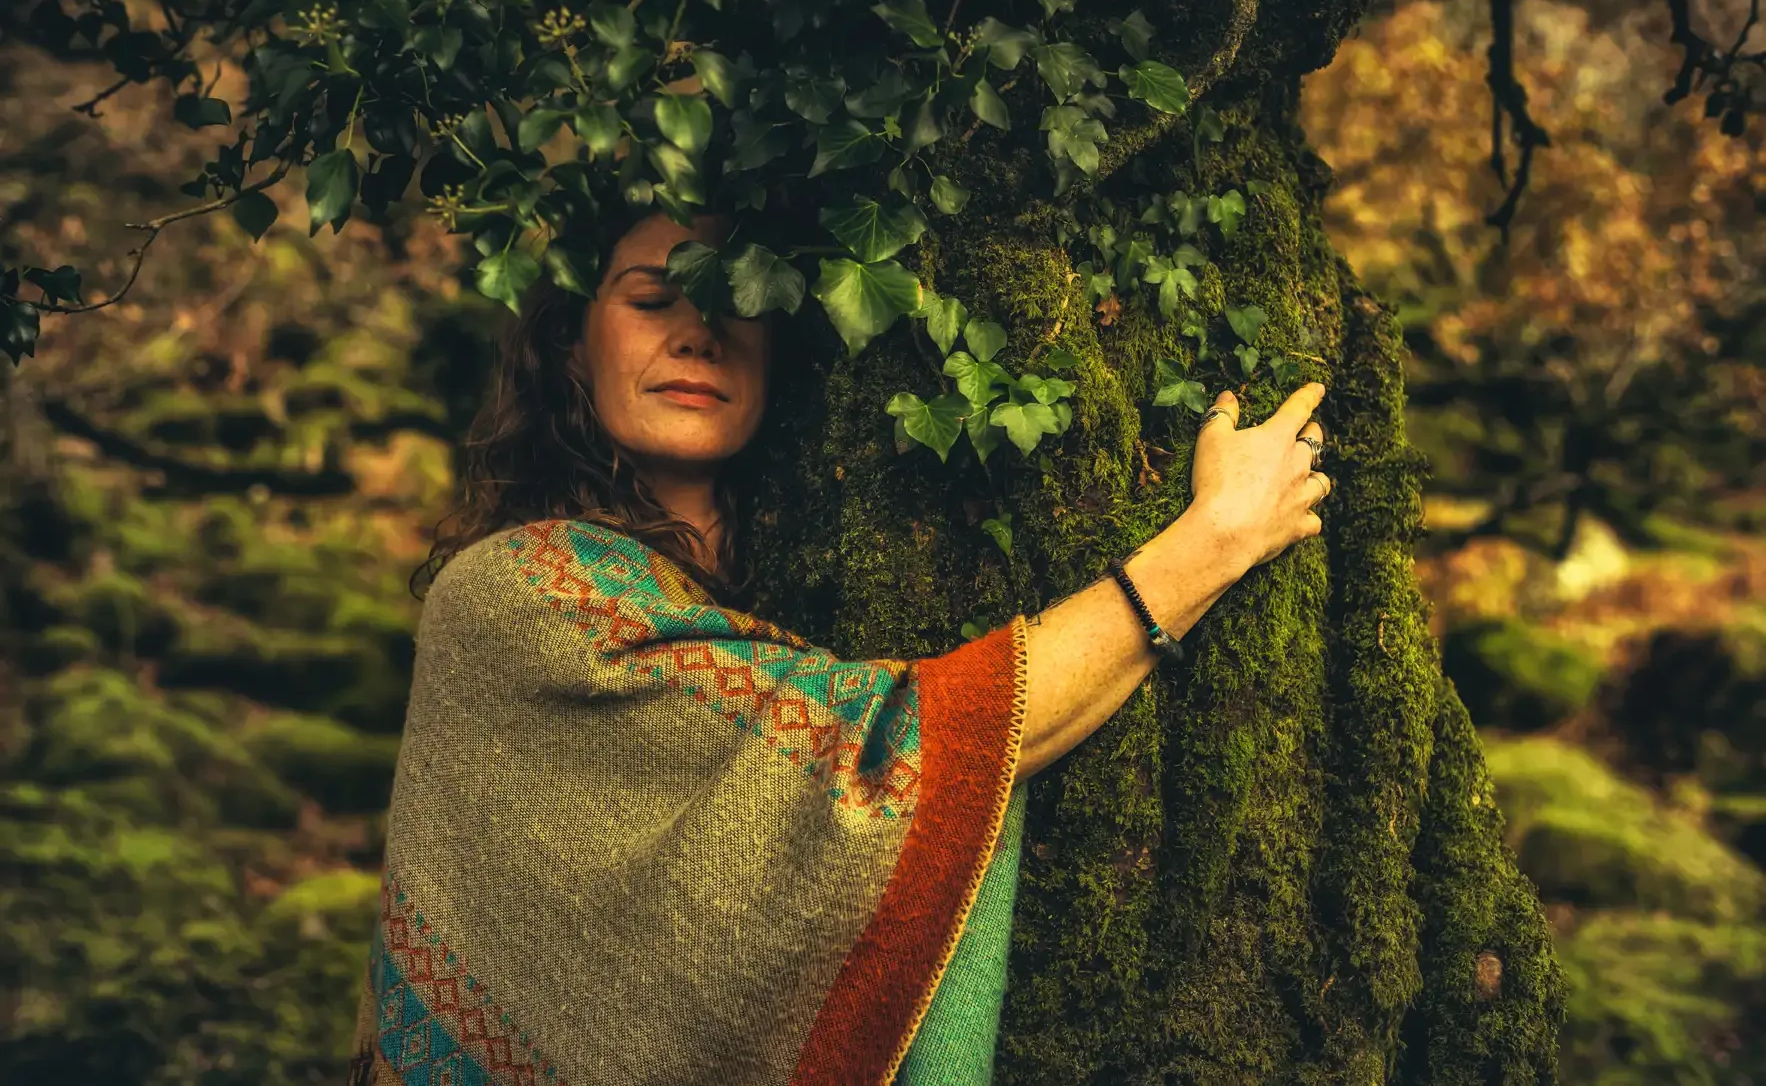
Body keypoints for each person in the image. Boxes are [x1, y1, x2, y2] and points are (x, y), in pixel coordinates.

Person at [346, 212, 1331, 1086]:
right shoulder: (511, 594)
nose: (698, 330)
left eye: (738, 302)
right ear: (572, 344)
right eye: (650, 300)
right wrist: (1213, 542)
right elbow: (899, 747)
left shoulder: (807, 579)